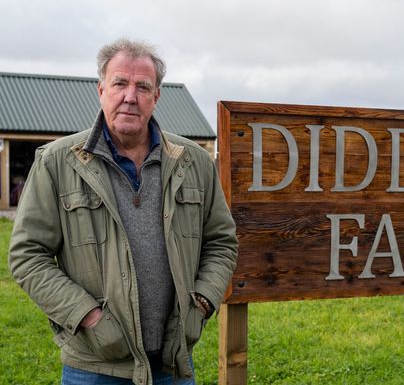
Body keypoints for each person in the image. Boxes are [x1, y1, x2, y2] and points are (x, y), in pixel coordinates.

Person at [8, 38, 238, 384]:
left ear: (156, 97)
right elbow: (27, 255)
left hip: (173, 363)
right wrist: (87, 316)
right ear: (101, 89)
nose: (130, 96)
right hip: (94, 366)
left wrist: (201, 303)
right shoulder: (57, 162)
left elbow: (221, 241)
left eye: (142, 87)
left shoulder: (194, 162)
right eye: (119, 83)